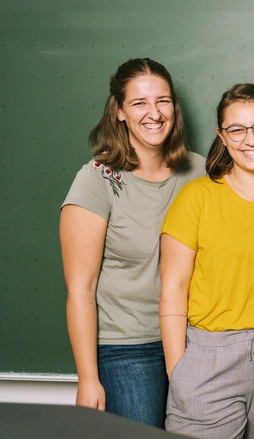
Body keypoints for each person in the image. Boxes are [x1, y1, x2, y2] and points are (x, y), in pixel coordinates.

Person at [159, 83, 254, 438]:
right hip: (209, 356)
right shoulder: (196, 198)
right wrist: (178, 372)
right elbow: (173, 289)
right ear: (222, 137)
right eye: (237, 129)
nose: (251, 139)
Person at [60, 58, 205, 428]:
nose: (154, 113)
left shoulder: (202, 172)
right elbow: (81, 289)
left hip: (195, 340)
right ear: (120, 111)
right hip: (127, 350)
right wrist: (88, 378)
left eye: (163, 101)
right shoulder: (97, 181)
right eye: (139, 103)